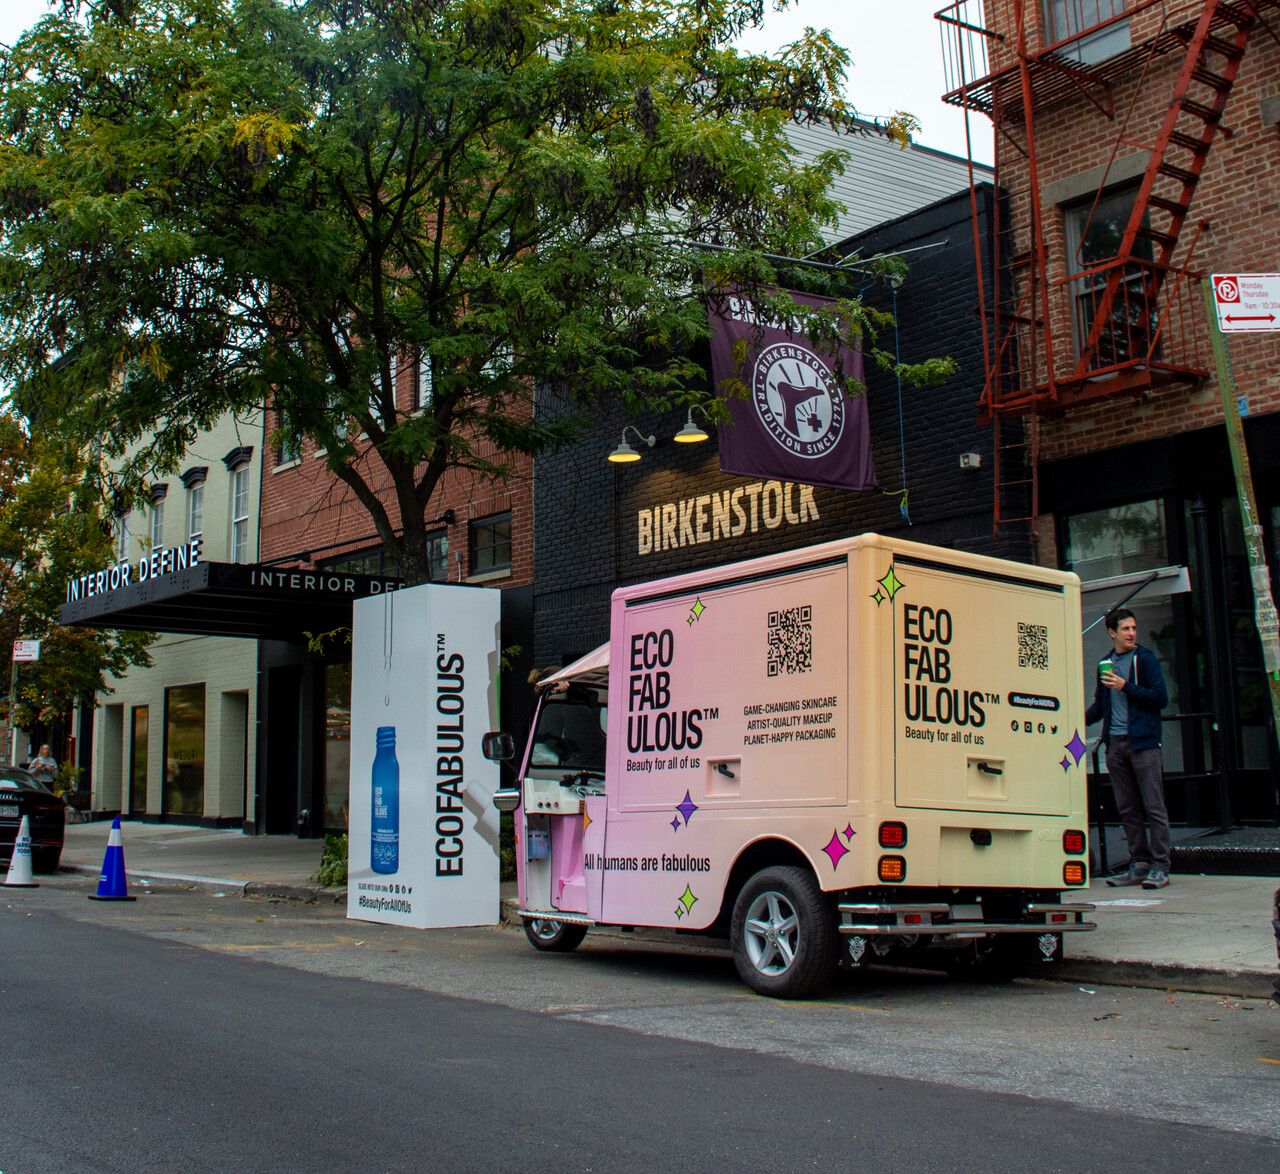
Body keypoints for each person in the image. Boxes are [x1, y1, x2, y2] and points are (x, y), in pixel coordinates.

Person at [1086, 607, 1171, 889]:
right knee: (1127, 808)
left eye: (1134, 628)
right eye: (1125, 629)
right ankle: (1139, 863)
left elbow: (1160, 698)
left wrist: (1126, 686)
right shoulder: (1105, 663)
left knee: (1153, 805)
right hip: (1116, 743)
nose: (1132, 633)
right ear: (1112, 633)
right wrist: (1074, 720)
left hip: (1143, 742)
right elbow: (1100, 706)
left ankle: (1161, 866)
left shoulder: (1144, 659)